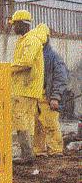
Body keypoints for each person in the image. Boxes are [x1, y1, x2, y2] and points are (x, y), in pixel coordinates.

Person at [9, 10, 47, 164]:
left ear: (22, 24)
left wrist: (6, 69)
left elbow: (26, 62)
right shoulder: (25, 40)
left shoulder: (31, 41)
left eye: (14, 24)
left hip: (27, 88)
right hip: (24, 87)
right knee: (25, 119)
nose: (13, 28)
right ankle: (28, 153)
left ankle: (27, 154)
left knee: (20, 118)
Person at [34, 25, 68, 157]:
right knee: (37, 125)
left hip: (47, 97)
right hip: (36, 95)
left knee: (51, 124)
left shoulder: (54, 57)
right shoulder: (36, 54)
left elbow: (61, 78)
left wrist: (55, 97)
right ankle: (39, 150)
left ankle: (55, 150)